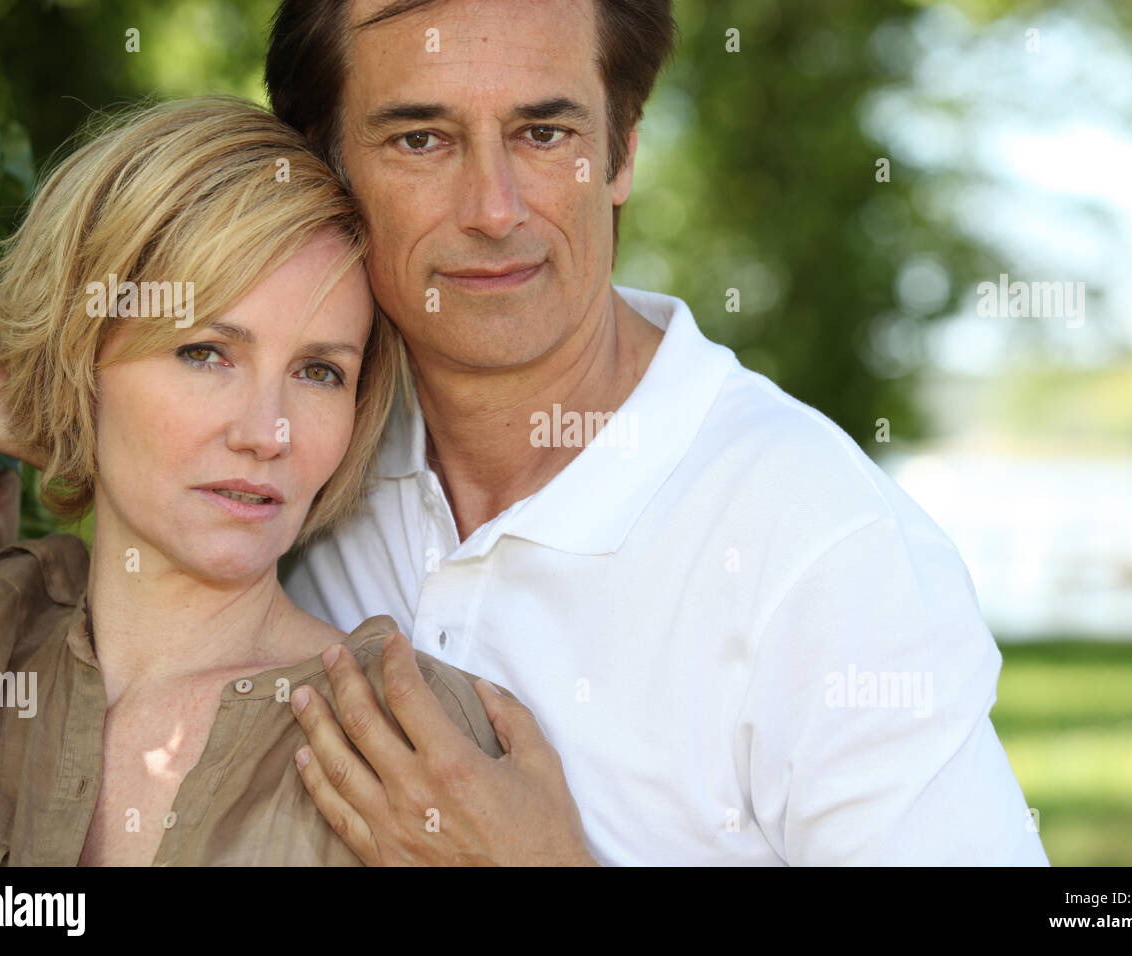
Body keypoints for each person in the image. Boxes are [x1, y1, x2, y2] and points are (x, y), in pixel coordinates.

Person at [262, 0, 1051, 865]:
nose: (494, 209)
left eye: (544, 134)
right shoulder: (293, 465)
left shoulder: (822, 543)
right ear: (323, 168)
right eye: (421, 139)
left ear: (622, 151)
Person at [0, 95, 549, 866]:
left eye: (319, 372)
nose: (267, 433)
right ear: (83, 353)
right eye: (205, 354)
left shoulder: (416, 743)